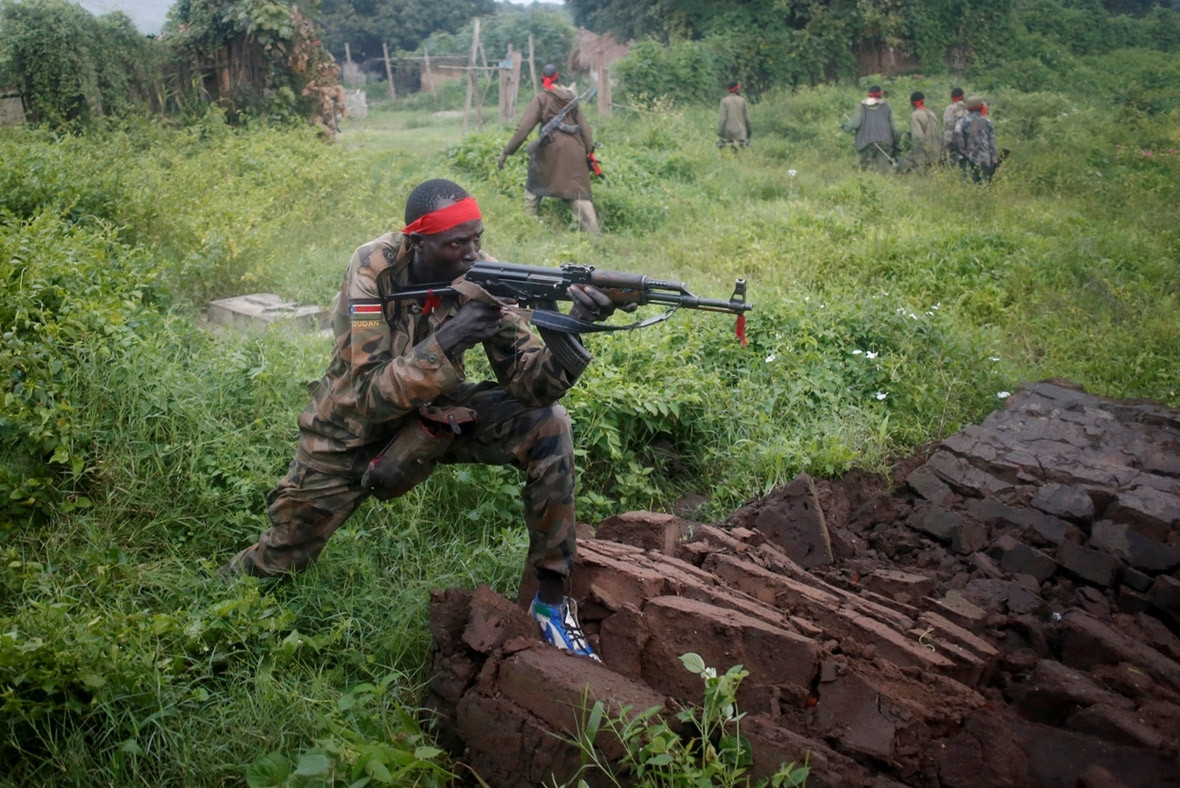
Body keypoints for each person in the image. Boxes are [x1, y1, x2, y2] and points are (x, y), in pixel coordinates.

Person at [221, 178, 622, 661]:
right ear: (418, 241)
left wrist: (568, 324)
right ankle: (214, 599)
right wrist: (451, 337)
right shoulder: (373, 269)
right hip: (348, 431)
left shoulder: (485, 274)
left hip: (438, 417)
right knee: (279, 560)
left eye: (477, 238)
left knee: (548, 422)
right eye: (456, 244)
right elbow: (368, 396)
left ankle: (551, 601)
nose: (472, 253)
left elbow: (531, 387)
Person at [498, 64, 601, 235]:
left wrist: (506, 152)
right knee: (577, 193)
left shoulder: (541, 98)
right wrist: (589, 152)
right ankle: (595, 232)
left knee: (533, 189)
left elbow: (523, 128)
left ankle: (529, 227)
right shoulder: (571, 98)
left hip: (549, 151)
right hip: (575, 150)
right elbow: (585, 128)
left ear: (541, 78)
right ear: (558, 76)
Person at [842, 85, 896, 173]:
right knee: (882, 171)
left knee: (863, 169)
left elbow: (855, 124)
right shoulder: (887, 106)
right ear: (881, 95)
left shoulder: (861, 106)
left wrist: (845, 127)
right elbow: (893, 129)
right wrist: (893, 144)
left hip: (866, 143)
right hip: (885, 142)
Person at [951, 95, 998, 183]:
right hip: (985, 161)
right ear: (981, 107)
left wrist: (962, 156)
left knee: (968, 187)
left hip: (967, 161)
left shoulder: (961, 122)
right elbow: (992, 144)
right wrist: (994, 160)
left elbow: (957, 142)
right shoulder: (988, 122)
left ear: (968, 108)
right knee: (984, 186)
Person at [897, 91, 941, 172]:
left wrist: (919, 160)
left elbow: (918, 138)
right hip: (937, 152)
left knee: (902, 167)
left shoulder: (915, 116)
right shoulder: (932, 114)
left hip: (924, 153)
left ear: (912, 103)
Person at [717, 81, 752, 151]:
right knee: (741, 156)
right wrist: (749, 133)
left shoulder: (724, 101)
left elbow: (722, 119)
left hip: (728, 134)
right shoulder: (742, 101)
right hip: (741, 134)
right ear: (737, 89)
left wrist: (720, 134)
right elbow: (747, 119)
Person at [942, 87, 968, 166]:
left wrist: (947, 143)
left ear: (952, 98)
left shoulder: (949, 109)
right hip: (967, 141)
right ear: (963, 96)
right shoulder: (968, 108)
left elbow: (947, 127)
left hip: (952, 140)